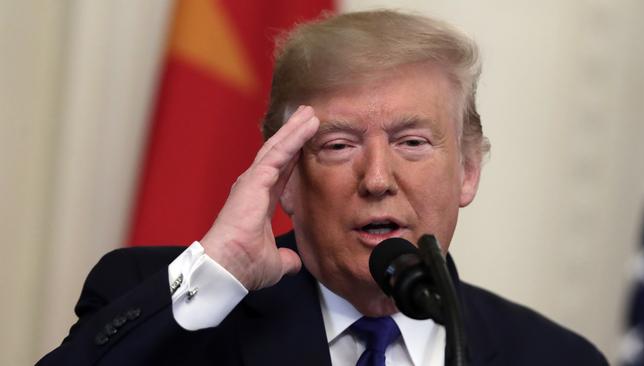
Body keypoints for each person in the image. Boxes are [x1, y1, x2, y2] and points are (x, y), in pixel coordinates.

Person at [38, 10, 608, 366]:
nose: (378, 179)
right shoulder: (162, 301)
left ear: (467, 171)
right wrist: (221, 267)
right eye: (338, 145)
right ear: (285, 176)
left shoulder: (555, 356)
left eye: (412, 142)